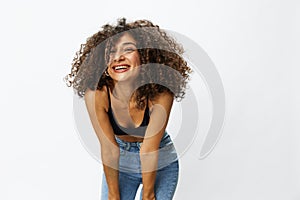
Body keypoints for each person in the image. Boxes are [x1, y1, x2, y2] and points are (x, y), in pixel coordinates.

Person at [65, 18, 192, 200]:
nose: (118, 57)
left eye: (128, 49)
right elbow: (109, 149)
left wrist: (148, 195)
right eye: (111, 52)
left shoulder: (161, 93)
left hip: (160, 162)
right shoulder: (96, 94)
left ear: (146, 55)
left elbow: (149, 149)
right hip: (121, 163)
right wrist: (113, 196)